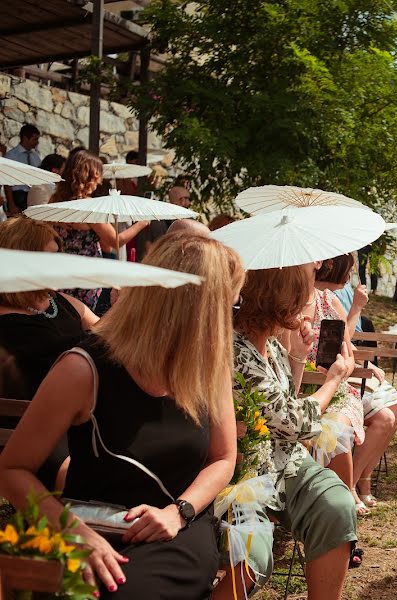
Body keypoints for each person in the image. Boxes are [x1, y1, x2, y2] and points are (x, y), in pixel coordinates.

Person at [0, 232, 244, 599]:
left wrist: (178, 513)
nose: (230, 318)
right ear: (199, 309)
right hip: (94, 526)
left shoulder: (209, 365)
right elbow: (11, 469)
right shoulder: (83, 368)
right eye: (229, 305)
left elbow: (224, 457)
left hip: (178, 527)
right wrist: (74, 532)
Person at [233, 264, 359, 597]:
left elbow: (287, 408)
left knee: (337, 505)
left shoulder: (271, 346)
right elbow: (293, 422)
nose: (307, 305)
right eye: (301, 295)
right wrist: (333, 379)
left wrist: (299, 356)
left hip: (284, 461)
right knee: (251, 557)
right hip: (244, 474)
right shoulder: (236, 349)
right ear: (279, 300)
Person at [0, 217, 99, 491]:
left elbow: (109, 337)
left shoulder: (62, 302)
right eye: (48, 259)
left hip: (83, 417)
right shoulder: (6, 318)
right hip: (33, 427)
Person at [315, 254, 397, 509]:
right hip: (325, 380)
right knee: (387, 416)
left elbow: (345, 341)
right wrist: (356, 308)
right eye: (349, 269)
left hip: (342, 371)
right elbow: (340, 342)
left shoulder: (330, 298)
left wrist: (362, 362)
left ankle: (362, 479)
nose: (351, 275)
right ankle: (352, 485)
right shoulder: (309, 301)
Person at [302, 264, 371, 515]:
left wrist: (341, 369)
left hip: (337, 393)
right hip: (299, 395)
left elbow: (348, 353)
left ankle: (342, 500)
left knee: (334, 431)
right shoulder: (281, 309)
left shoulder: (328, 301)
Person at [49, 151, 148, 310]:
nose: (100, 181)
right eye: (98, 176)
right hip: (85, 274)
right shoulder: (89, 207)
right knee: (83, 315)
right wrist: (142, 223)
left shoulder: (55, 201)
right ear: (88, 176)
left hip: (61, 270)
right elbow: (116, 240)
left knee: (64, 312)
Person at [4, 124, 41, 215]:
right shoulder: (12, 156)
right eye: (34, 139)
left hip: (33, 194)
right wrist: (11, 204)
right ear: (25, 138)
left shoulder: (36, 156)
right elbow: (7, 182)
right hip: (18, 195)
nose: (37, 142)